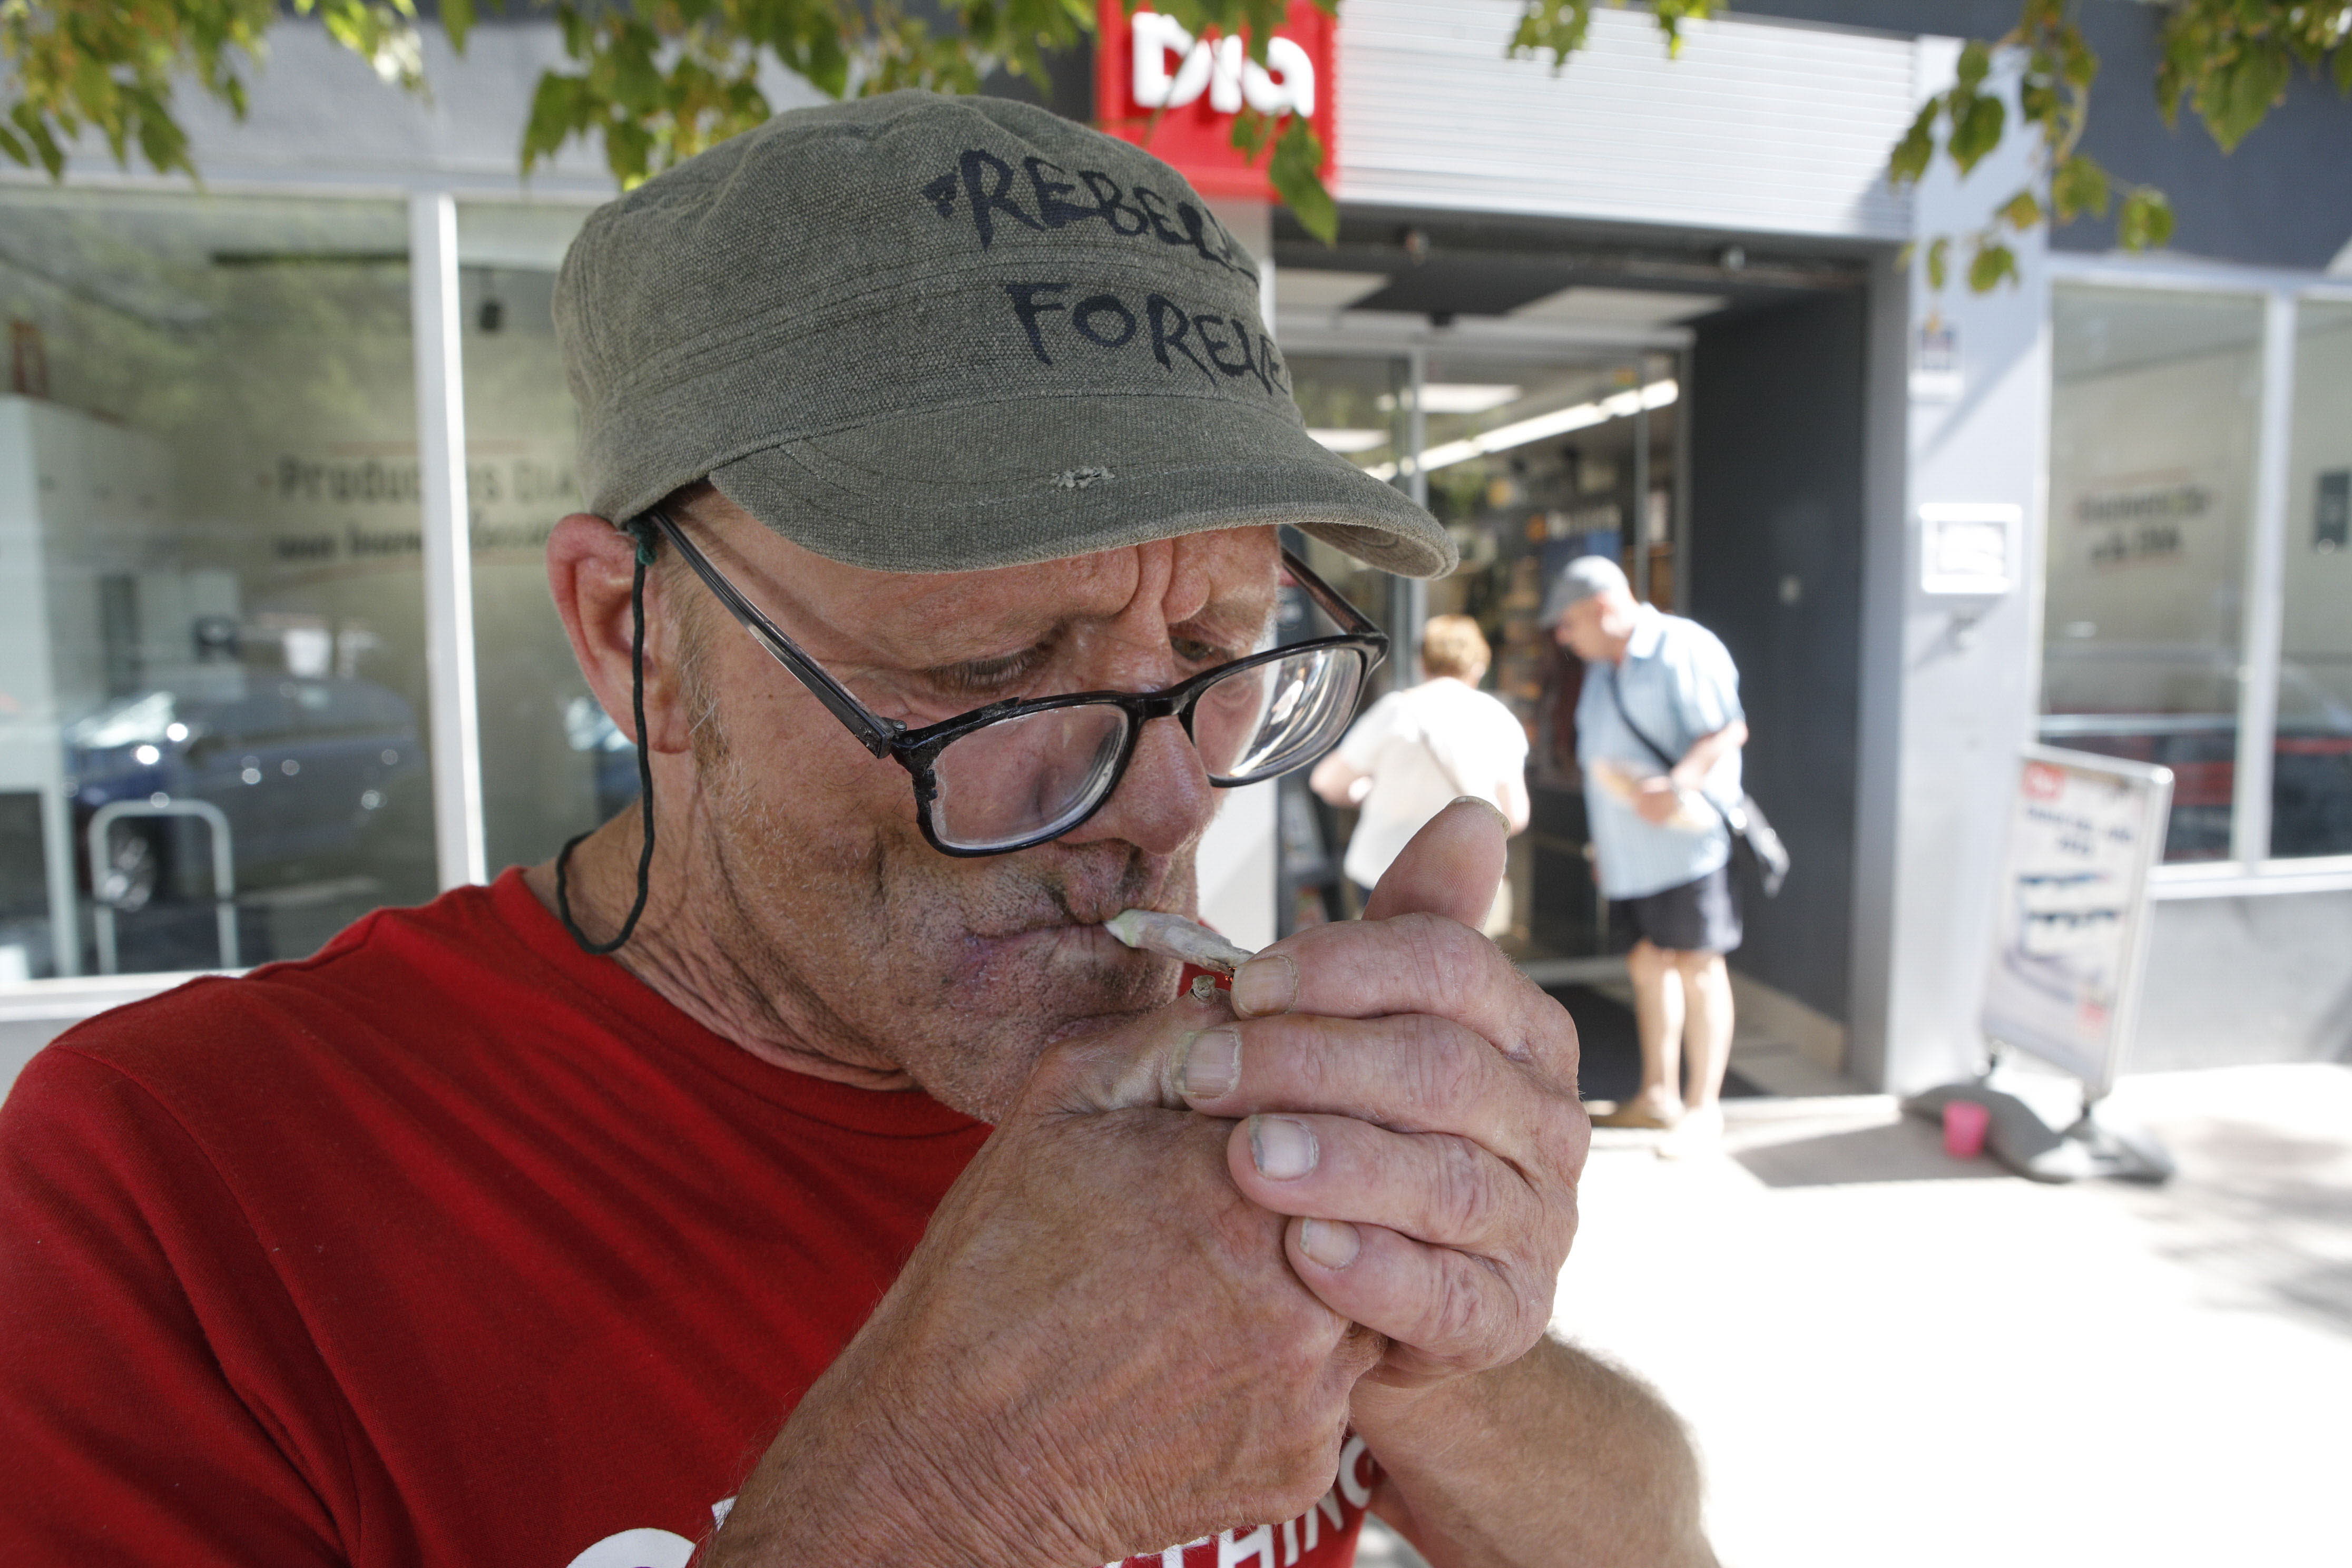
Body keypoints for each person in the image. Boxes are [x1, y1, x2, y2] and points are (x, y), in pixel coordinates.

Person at [0, 95, 1715, 1568]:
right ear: (632, 638)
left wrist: (1435, 1326)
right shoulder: (173, 1188)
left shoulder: (1234, 1079)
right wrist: (957, 1499)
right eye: (984, 664)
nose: (1166, 795)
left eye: (1211, 651)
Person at [1545, 556, 1749, 1154]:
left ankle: (1702, 1107)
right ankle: (1656, 1095)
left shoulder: (1683, 647)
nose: (1563, 636)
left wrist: (1680, 784)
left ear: (1605, 607)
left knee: (1698, 966)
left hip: (1687, 847)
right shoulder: (1602, 669)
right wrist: (1601, 847)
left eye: (1569, 622)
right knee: (1645, 964)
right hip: (1629, 856)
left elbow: (1727, 729)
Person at [1308, 615, 1530, 935]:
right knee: (1460, 976)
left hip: (1384, 871)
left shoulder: (1396, 711)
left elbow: (1326, 783)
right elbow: (1516, 816)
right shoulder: (1499, 719)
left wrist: (1367, 791)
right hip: (1468, 878)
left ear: (1423, 663)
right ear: (1478, 666)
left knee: (1382, 970)